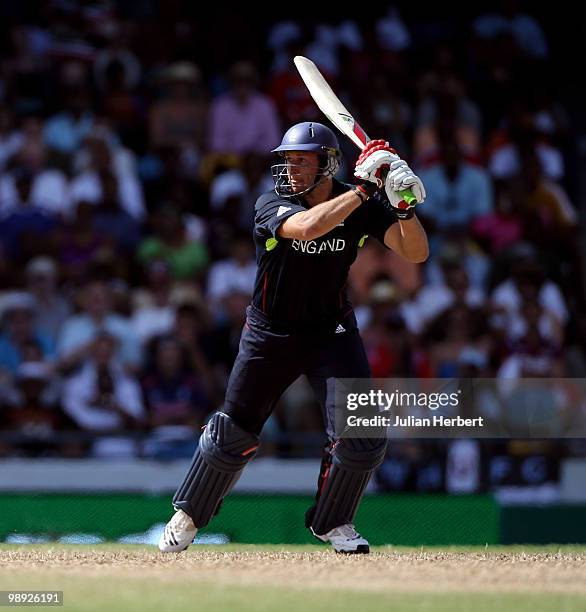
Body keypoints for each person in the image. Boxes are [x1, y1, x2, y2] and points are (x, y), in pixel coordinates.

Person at [159, 122, 428, 554]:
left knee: (361, 431)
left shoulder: (358, 202)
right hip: (271, 331)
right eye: (288, 159)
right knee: (235, 431)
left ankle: (334, 523)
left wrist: (402, 206)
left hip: (331, 331)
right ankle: (188, 515)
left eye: (302, 161)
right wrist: (363, 189)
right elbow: (306, 229)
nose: (291, 168)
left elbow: (415, 252)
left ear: (327, 164)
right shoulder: (272, 203)